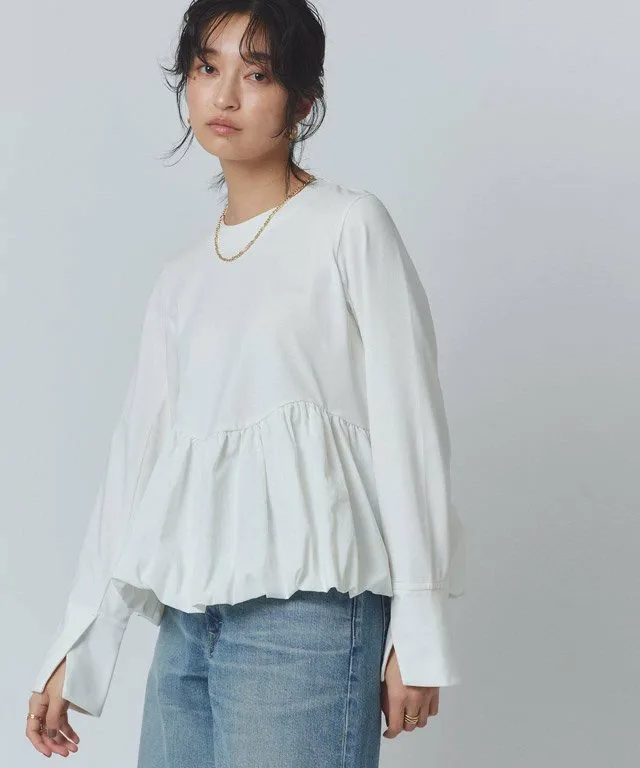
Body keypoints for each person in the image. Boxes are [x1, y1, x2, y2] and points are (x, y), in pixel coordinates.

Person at [25, 1, 466, 765]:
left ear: (302, 102)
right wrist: (80, 646)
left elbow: (410, 426)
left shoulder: (348, 226)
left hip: (309, 620)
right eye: (207, 68)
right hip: (186, 625)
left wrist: (419, 630)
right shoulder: (181, 279)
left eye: (256, 74)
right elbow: (137, 466)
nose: (224, 95)